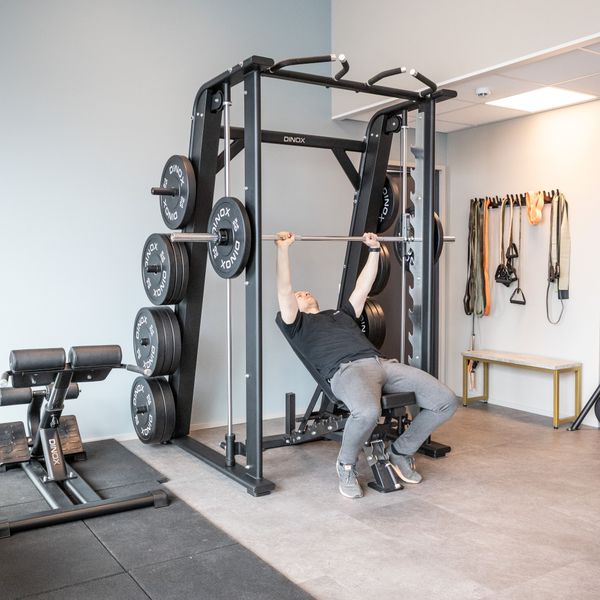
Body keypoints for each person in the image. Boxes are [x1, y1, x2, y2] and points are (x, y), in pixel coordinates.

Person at [275, 231, 458, 499]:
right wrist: (283, 250)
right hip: (347, 371)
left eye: (304, 292)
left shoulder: (340, 314)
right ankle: (345, 465)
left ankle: (401, 451)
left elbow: (363, 287)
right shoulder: (296, 325)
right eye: (299, 294)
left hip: (381, 364)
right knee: (368, 413)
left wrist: (374, 249)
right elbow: (284, 289)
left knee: (446, 401)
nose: (303, 292)